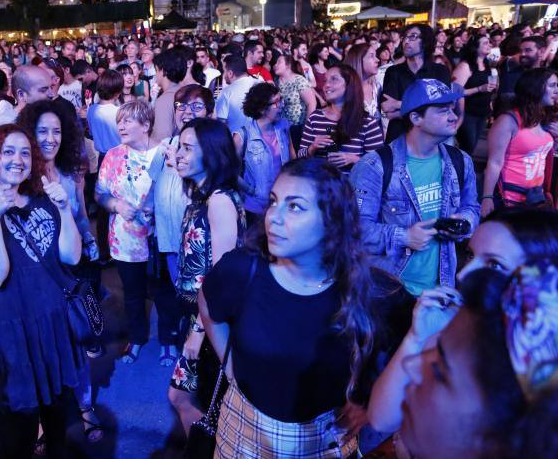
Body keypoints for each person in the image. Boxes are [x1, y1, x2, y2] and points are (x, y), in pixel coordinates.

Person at [199, 158, 375, 457]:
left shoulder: (357, 286)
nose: (273, 217)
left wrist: (366, 402)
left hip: (323, 439)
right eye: (273, 201)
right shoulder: (242, 270)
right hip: (246, 430)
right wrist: (231, 370)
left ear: (331, 220)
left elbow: (395, 350)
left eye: (295, 206)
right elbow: (208, 305)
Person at [0, 123, 82, 457]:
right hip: (9, 335)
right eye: (8, 151)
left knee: (57, 423)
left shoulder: (40, 200)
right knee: (18, 434)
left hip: (50, 326)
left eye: (25, 152)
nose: (17, 159)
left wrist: (65, 209)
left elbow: (71, 256)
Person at [367, 208, 558, 439]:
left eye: (494, 265)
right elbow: (382, 419)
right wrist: (416, 338)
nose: (463, 274)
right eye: (470, 256)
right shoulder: (455, 327)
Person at [17, 100, 105, 444]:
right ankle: (43, 421)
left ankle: (84, 407)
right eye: (43, 131)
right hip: (37, 275)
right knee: (40, 348)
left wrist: (88, 240)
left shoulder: (70, 171)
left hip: (71, 267)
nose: (50, 138)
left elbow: (82, 213)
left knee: (76, 339)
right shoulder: (21, 174)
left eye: (57, 131)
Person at [350, 78, 480, 297]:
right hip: (389, 290)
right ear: (416, 118)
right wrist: (404, 237)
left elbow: (472, 208)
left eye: (452, 109)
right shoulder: (375, 166)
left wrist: (465, 222)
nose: (453, 116)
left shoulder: (460, 161)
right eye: (441, 111)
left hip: (441, 287)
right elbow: (354, 229)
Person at [166, 117, 246, 436]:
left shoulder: (219, 201)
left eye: (187, 148)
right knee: (194, 398)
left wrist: (199, 332)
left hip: (213, 323)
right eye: (179, 146)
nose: (179, 154)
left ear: (211, 153)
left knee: (187, 398)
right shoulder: (202, 195)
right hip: (199, 317)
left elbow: (220, 279)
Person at [95, 100, 178, 364]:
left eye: (128, 121)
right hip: (124, 239)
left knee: (164, 293)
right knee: (132, 294)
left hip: (159, 239)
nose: (121, 126)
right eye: (120, 121)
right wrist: (115, 204)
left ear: (146, 124)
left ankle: (168, 339)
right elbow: (100, 193)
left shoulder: (164, 155)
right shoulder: (113, 155)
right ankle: (137, 337)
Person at [153, 84, 215, 288]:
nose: (187, 111)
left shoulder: (215, 150)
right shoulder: (166, 145)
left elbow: (214, 195)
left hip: (202, 247)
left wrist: (181, 168)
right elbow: (153, 187)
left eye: (196, 106)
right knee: (180, 297)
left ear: (210, 113)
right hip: (169, 242)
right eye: (181, 106)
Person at [481, 68, 556, 217]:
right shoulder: (508, 121)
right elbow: (494, 162)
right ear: (535, 88)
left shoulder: (545, 118)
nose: (557, 90)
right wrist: (487, 197)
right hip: (508, 197)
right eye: (553, 85)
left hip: (536, 196)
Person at [299, 65, 384, 173]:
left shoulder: (368, 123)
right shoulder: (315, 118)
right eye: (325, 81)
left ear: (349, 85)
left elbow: (378, 164)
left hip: (352, 186)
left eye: (334, 79)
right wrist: (312, 147)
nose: (326, 85)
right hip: (319, 185)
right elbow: (299, 159)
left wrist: (354, 159)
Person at [233, 83, 293, 225]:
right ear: (261, 108)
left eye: (281, 100)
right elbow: (230, 172)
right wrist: (251, 190)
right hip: (255, 208)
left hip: (281, 203)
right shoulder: (243, 135)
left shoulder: (284, 127)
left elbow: (292, 158)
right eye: (277, 102)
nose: (282, 105)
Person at [381, 24, 451, 143]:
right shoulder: (393, 71)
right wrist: (427, 106)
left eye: (413, 37)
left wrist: (399, 104)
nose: (406, 41)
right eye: (404, 37)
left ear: (425, 42)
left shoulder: (440, 71)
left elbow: (442, 106)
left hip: (430, 138)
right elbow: (388, 109)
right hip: (398, 137)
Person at [0, 65, 55, 150]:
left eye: (51, 87)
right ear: (21, 94)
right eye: (43, 90)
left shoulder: (48, 121)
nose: (52, 94)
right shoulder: (1, 125)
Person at [453, 35, 496, 155]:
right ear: (475, 48)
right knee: (468, 145)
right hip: (467, 113)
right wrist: (479, 89)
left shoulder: (486, 64)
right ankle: (458, 169)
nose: (489, 45)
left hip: (482, 112)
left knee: (472, 146)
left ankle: (464, 169)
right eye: (485, 43)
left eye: (489, 43)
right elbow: (455, 92)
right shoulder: (465, 66)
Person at [274, 53, 317, 151]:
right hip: (282, 127)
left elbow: (311, 103)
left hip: (298, 127)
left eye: (279, 62)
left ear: (288, 65)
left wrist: (307, 127)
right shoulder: (276, 81)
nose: (275, 65)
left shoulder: (299, 80)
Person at [215, 55, 260, 133]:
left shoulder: (226, 92)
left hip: (236, 142)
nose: (223, 75)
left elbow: (221, 124)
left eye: (223, 71)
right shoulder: (261, 83)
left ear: (230, 73)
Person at [151, 48, 187, 141]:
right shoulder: (188, 93)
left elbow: (161, 139)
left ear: (163, 71)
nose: (156, 75)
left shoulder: (164, 100)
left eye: (156, 71)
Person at [345, 43, 382, 121]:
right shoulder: (345, 90)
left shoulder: (377, 87)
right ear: (358, 60)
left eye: (376, 56)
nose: (377, 60)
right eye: (372, 56)